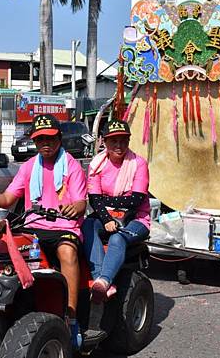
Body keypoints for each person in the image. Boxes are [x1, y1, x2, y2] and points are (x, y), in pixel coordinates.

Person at [0, 114, 87, 347]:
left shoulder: (71, 165)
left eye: (50, 138)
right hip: (35, 226)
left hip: (65, 226)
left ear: (59, 139)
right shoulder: (30, 166)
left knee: (67, 253)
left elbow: (82, 202)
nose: (45, 143)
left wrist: (74, 207)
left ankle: (71, 319)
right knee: (6, 252)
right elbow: (8, 197)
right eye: (40, 138)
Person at [82, 119, 150, 303]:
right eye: (114, 141)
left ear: (128, 141)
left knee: (117, 238)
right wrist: (106, 219)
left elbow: (135, 201)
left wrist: (106, 201)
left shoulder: (139, 164)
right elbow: (94, 200)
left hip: (136, 220)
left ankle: (105, 280)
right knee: (87, 225)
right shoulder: (97, 164)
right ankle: (100, 280)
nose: (119, 146)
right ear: (104, 141)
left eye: (123, 140)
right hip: (107, 217)